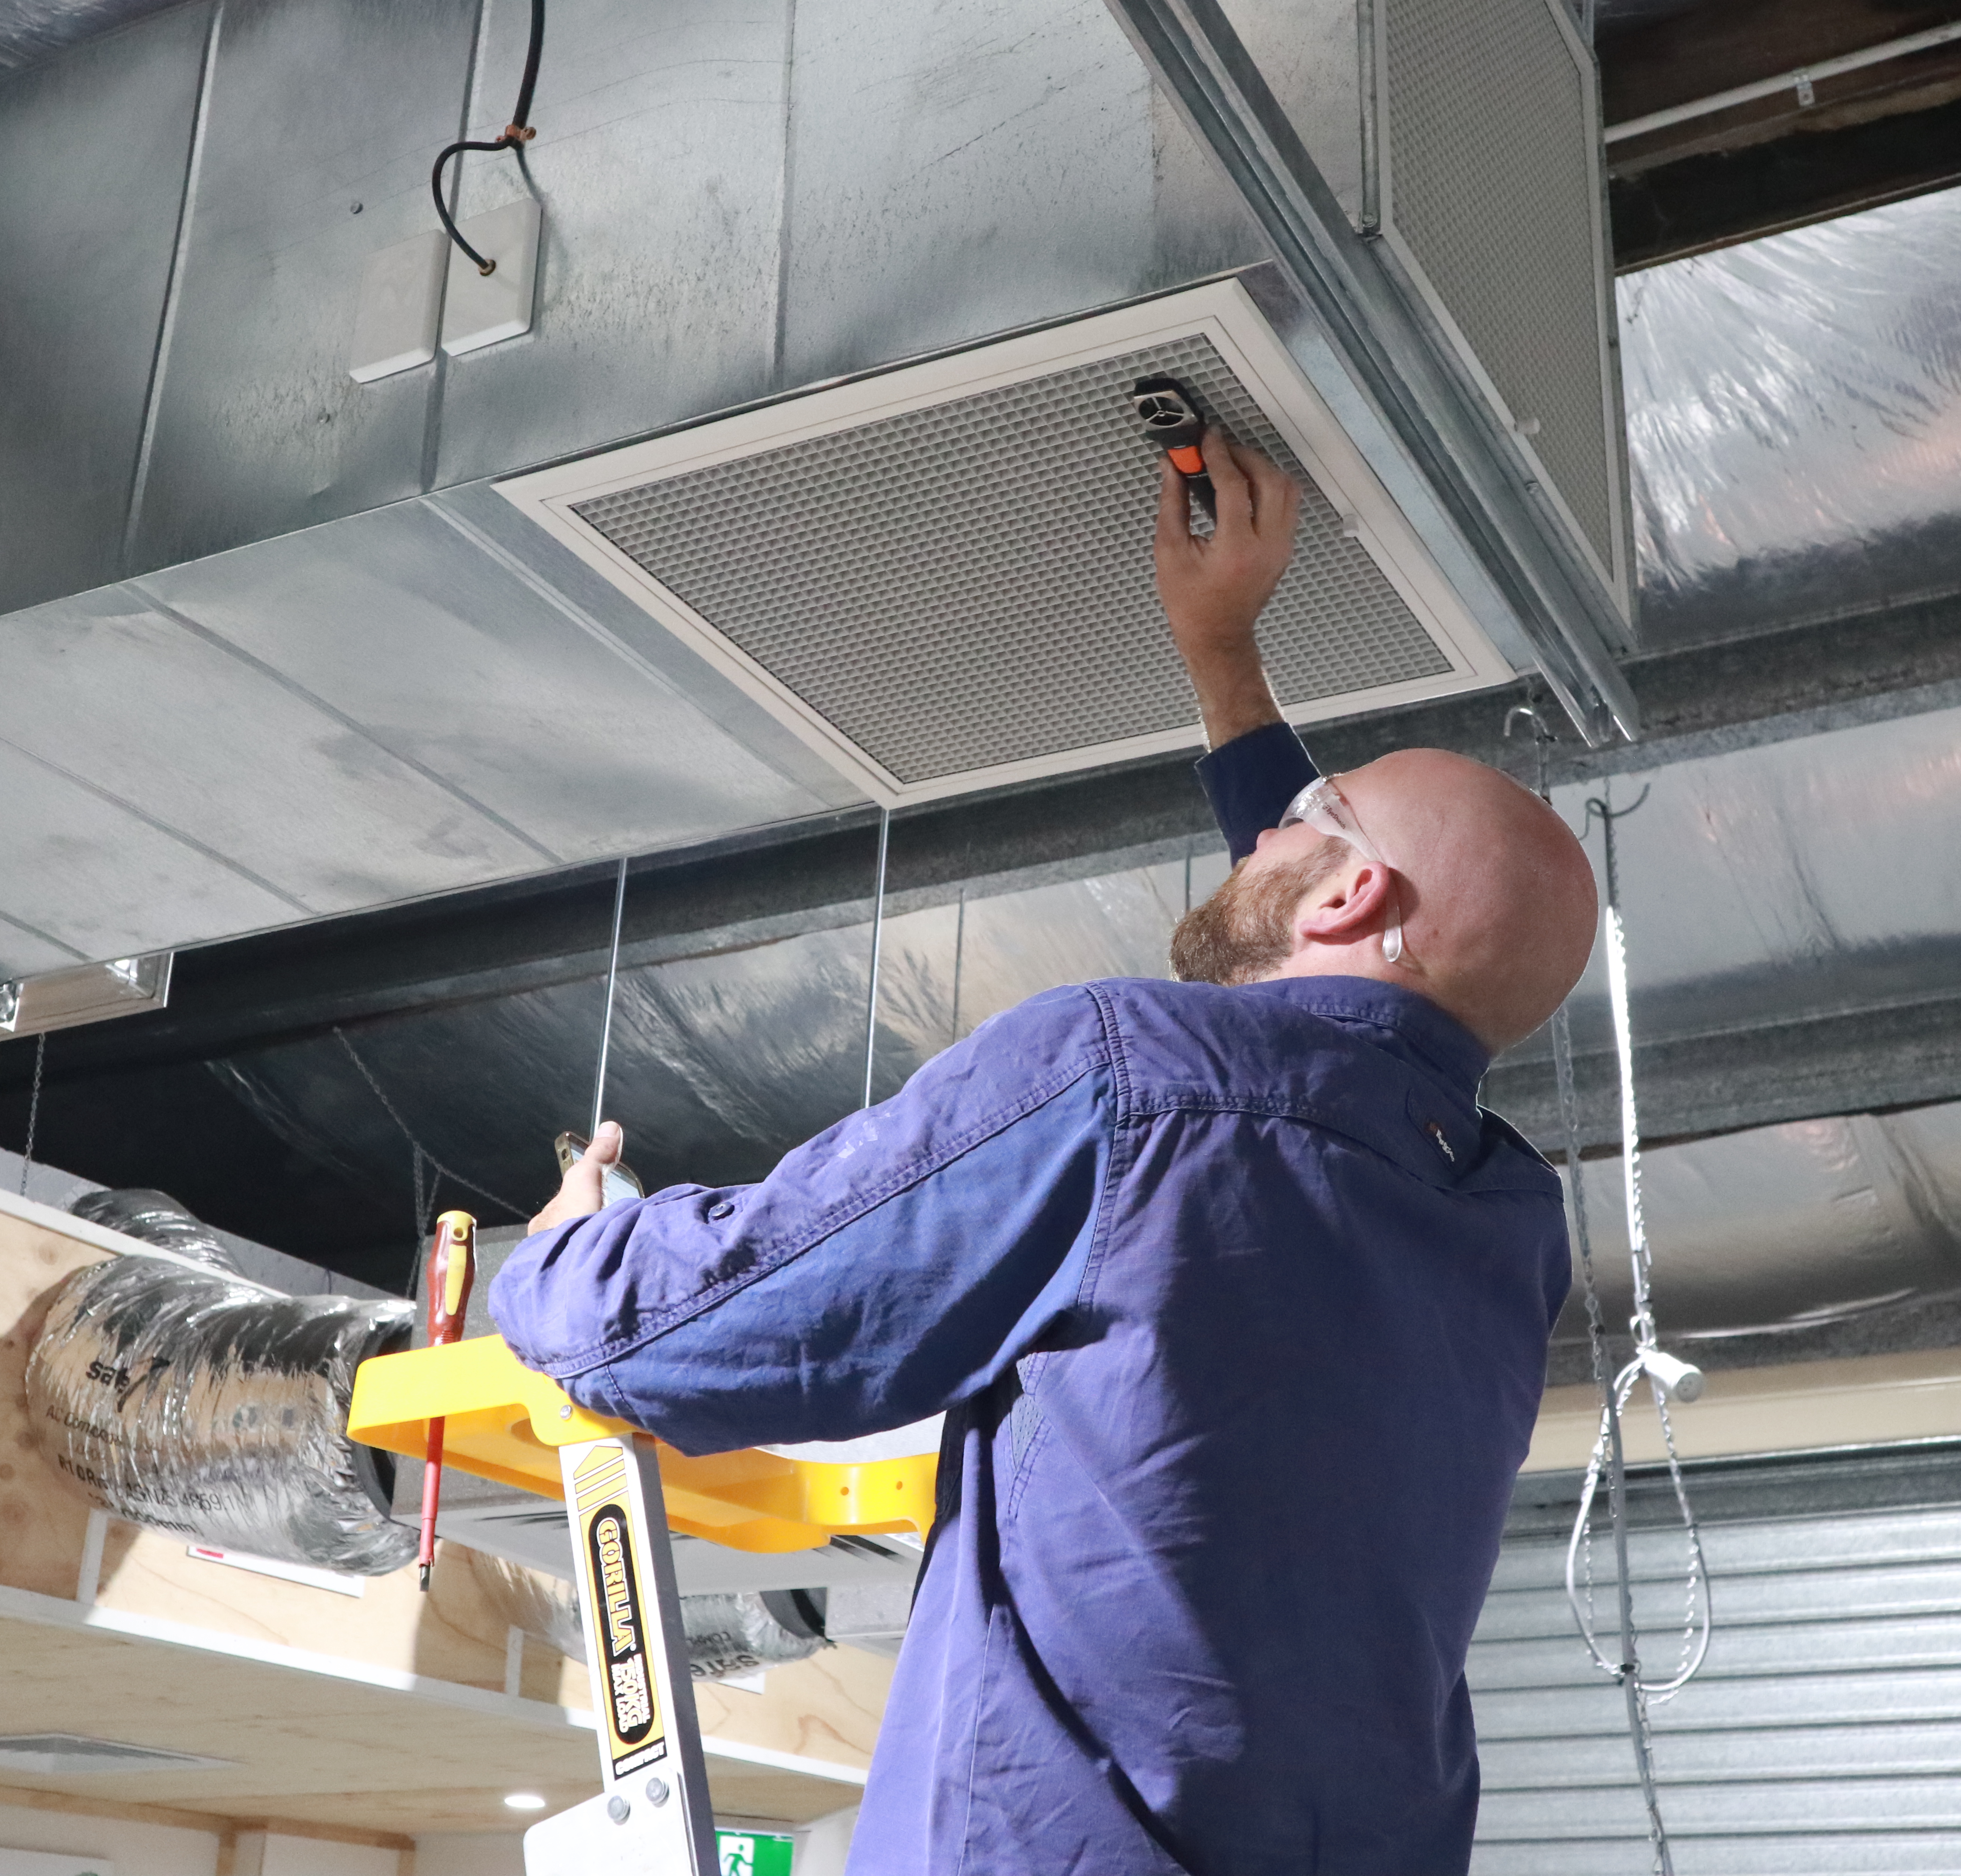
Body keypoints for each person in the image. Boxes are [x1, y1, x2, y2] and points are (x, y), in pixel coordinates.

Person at [491, 431, 1599, 1875]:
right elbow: (1323, 1027)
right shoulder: (1502, 1226)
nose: (1265, 829)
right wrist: (1224, 664)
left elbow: (688, 1327)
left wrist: (561, 1256)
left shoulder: (1126, 1085)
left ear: (1352, 893)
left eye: (1306, 818)